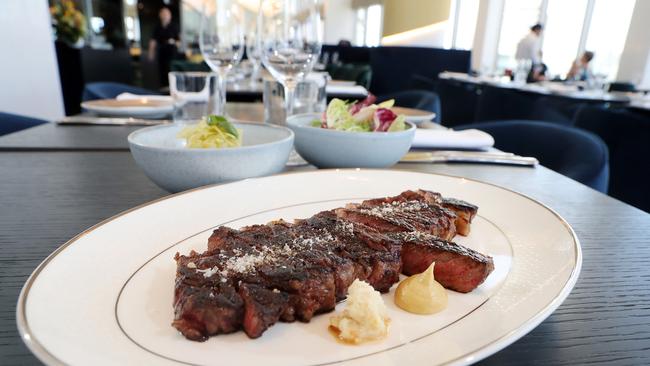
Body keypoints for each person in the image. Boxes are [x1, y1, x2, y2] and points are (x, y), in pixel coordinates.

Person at [148, 7, 180, 87]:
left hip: (172, 53)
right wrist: (151, 53)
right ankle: (164, 87)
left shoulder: (174, 26)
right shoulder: (157, 27)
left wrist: (173, 42)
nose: (165, 16)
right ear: (160, 15)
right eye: (163, 14)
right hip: (161, 52)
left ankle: (173, 86)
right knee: (162, 70)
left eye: (167, 14)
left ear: (170, 16)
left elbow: (179, 41)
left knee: (171, 69)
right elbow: (153, 41)